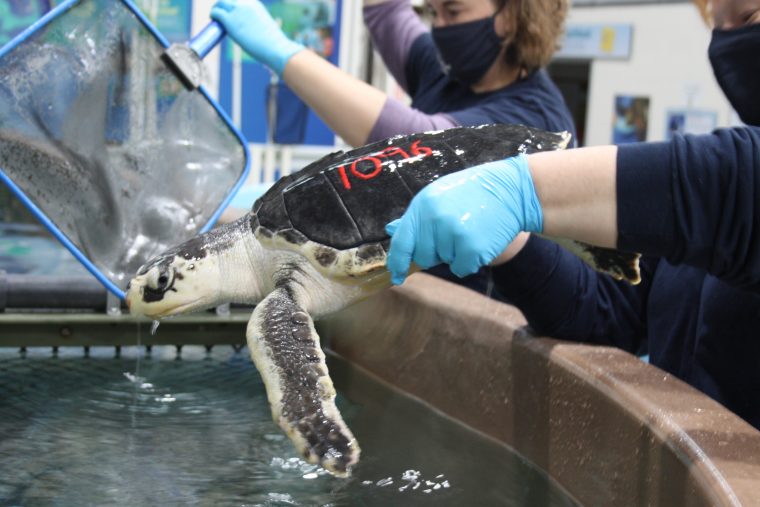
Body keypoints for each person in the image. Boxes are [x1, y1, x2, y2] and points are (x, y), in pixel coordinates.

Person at [385, 0, 760, 430]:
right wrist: (514, 246)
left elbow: (729, 182)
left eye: (748, 18)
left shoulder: (727, 185)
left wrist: (519, 189)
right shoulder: (702, 219)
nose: (729, 42)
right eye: (718, 26)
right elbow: (607, 313)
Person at [211, 0, 575, 293]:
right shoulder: (449, 74)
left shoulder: (534, 118)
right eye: (434, 12)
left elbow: (418, 146)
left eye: (454, 10)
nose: (440, 26)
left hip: (472, 308)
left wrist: (282, 52)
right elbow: (385, 10)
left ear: (511, 14)